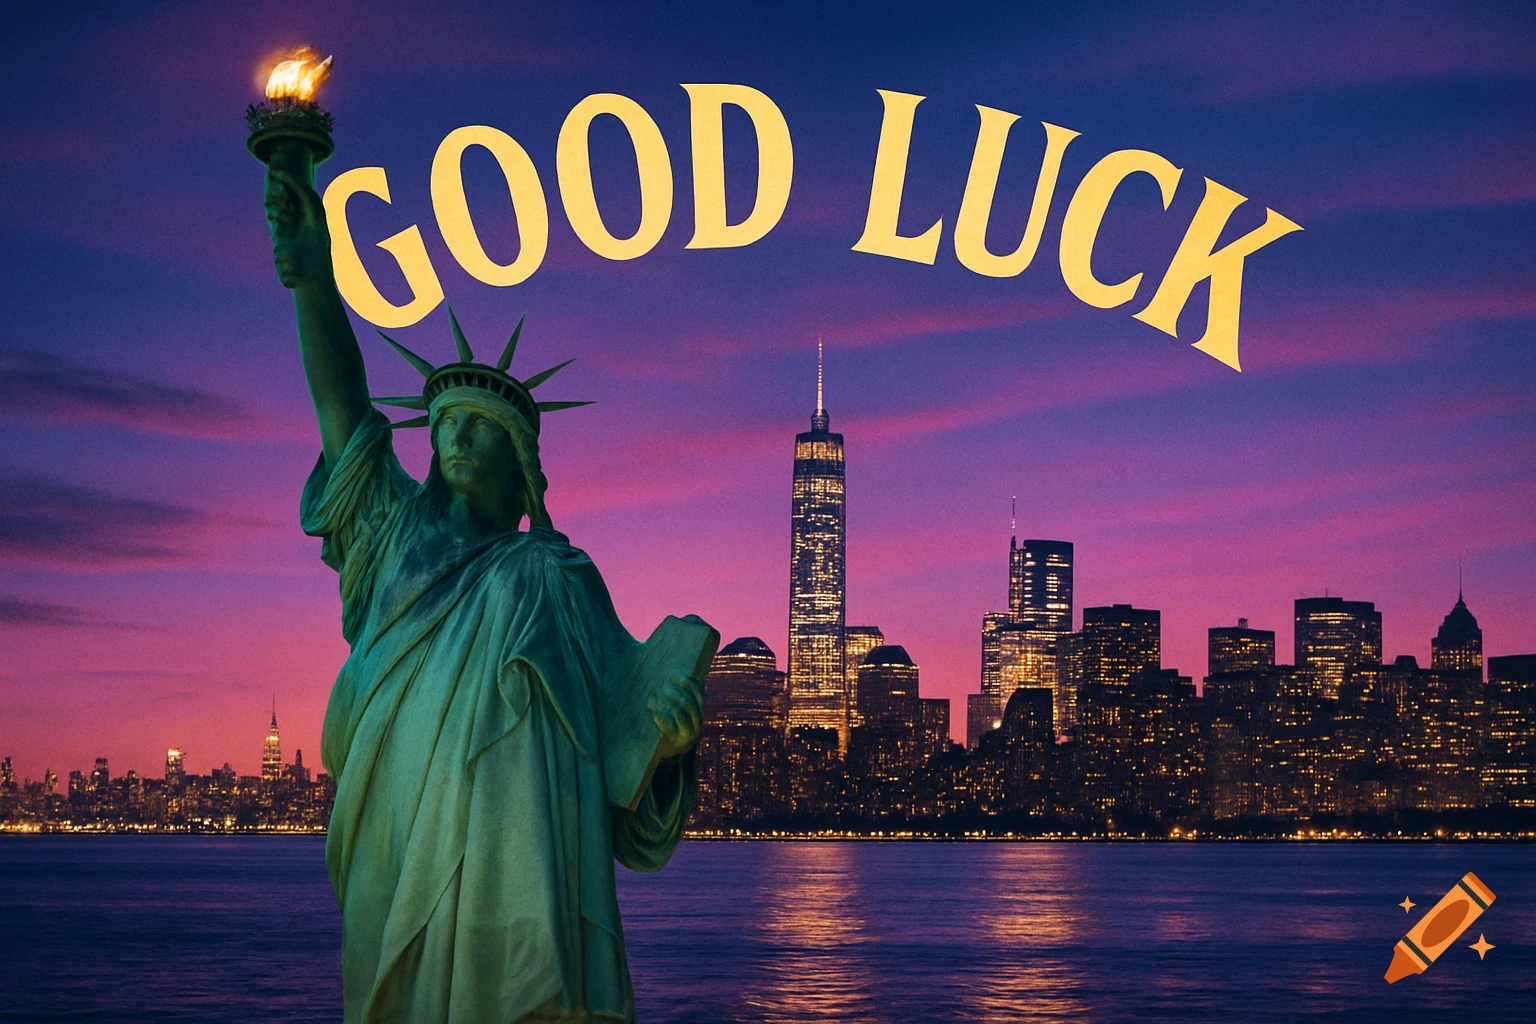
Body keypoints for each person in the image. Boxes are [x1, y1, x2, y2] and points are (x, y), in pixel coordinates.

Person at [263, 167, 706, 1023]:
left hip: (521, 859)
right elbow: (343, 407)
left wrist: (674, 741)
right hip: (390, 818)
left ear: (520, 456)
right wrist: (314, 276)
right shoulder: (393, 534)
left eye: (478, 426)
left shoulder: (554, 577)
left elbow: (625, 737)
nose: (455, 438)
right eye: (443, 426)